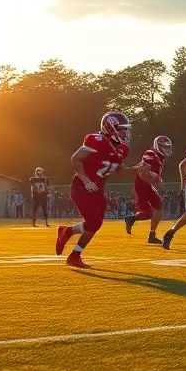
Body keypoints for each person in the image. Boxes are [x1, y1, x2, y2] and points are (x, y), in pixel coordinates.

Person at [55, 112, 145, 268]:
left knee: (95, 224)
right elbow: (76, 158)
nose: (126, 132)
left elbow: (120, 171)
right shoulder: (96, 140)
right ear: (111, 128)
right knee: (94, 222)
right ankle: (73, 250)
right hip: (82, 187)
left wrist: (138, 169)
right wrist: (85, 179)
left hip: (98, 189)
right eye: (122, 129)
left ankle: (71, 242)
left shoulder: (123, 148)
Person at [126, 136, 173, 244]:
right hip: (141, 185)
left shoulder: (160, 157)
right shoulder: (152, 154)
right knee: (148, 212)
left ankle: (152, 235)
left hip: (146, 185)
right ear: (158, 147)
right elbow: (144, 168)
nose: (167, 150)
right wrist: (153, 179)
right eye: (164, 147)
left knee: (159, 206)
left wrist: (155, 180)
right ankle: (131, 218)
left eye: (168, 147)